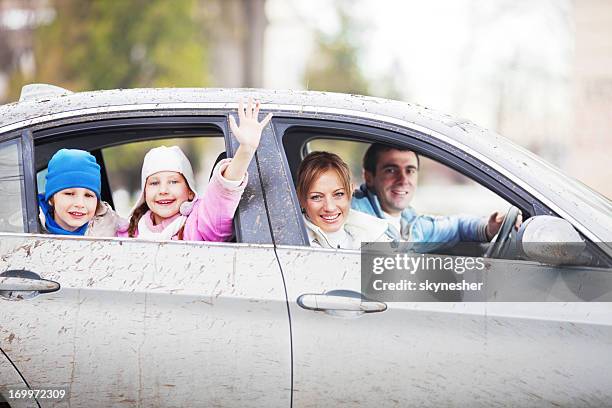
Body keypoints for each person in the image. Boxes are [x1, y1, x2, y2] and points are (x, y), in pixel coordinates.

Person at [119, 98, 271, 241]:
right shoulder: (127, 233)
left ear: (190, 191)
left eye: (173, 182)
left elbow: (222, 192)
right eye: (154, 183)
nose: (163, 190)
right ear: (144, 193)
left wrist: (246, 149)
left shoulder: (199, 225)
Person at [351, 143, 520, 251]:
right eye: (391, 170)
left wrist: (490, 227)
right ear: (369, 177)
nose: (403, 180)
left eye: (410, 170)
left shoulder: (412, 225)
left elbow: (457, 227)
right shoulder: (350, 210)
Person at [297, 151, 390, 249]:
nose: (330, 207)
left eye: (338, 194)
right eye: (316, 197)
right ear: (300, 198)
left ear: (350, 192)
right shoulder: (291, 243)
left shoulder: (373, 233)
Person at [38, 149, 125, 236]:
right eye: (69, 194)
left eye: (88, 195)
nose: (80, 204)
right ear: (51, 199)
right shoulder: (29, 223)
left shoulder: (112, 229)